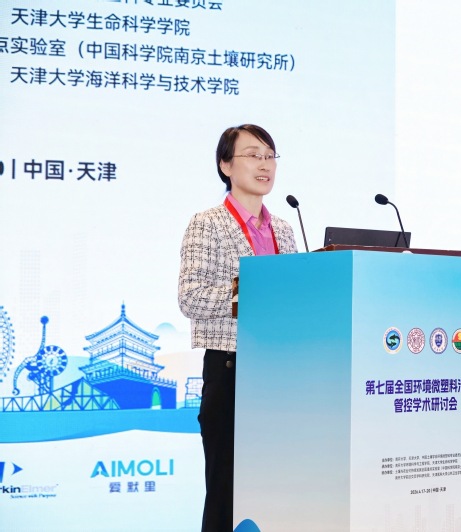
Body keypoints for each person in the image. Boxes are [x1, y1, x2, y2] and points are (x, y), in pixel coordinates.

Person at [178, 124, 298, 532]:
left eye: (270, 156)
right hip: (231, 371)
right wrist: (252, 291)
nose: (264, 165)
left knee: (277, 491)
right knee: (227, 495)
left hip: (281, 373)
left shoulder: (284, 229)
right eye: (252, 155)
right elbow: (191, 297)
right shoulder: (207, 223)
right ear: (225, 165)